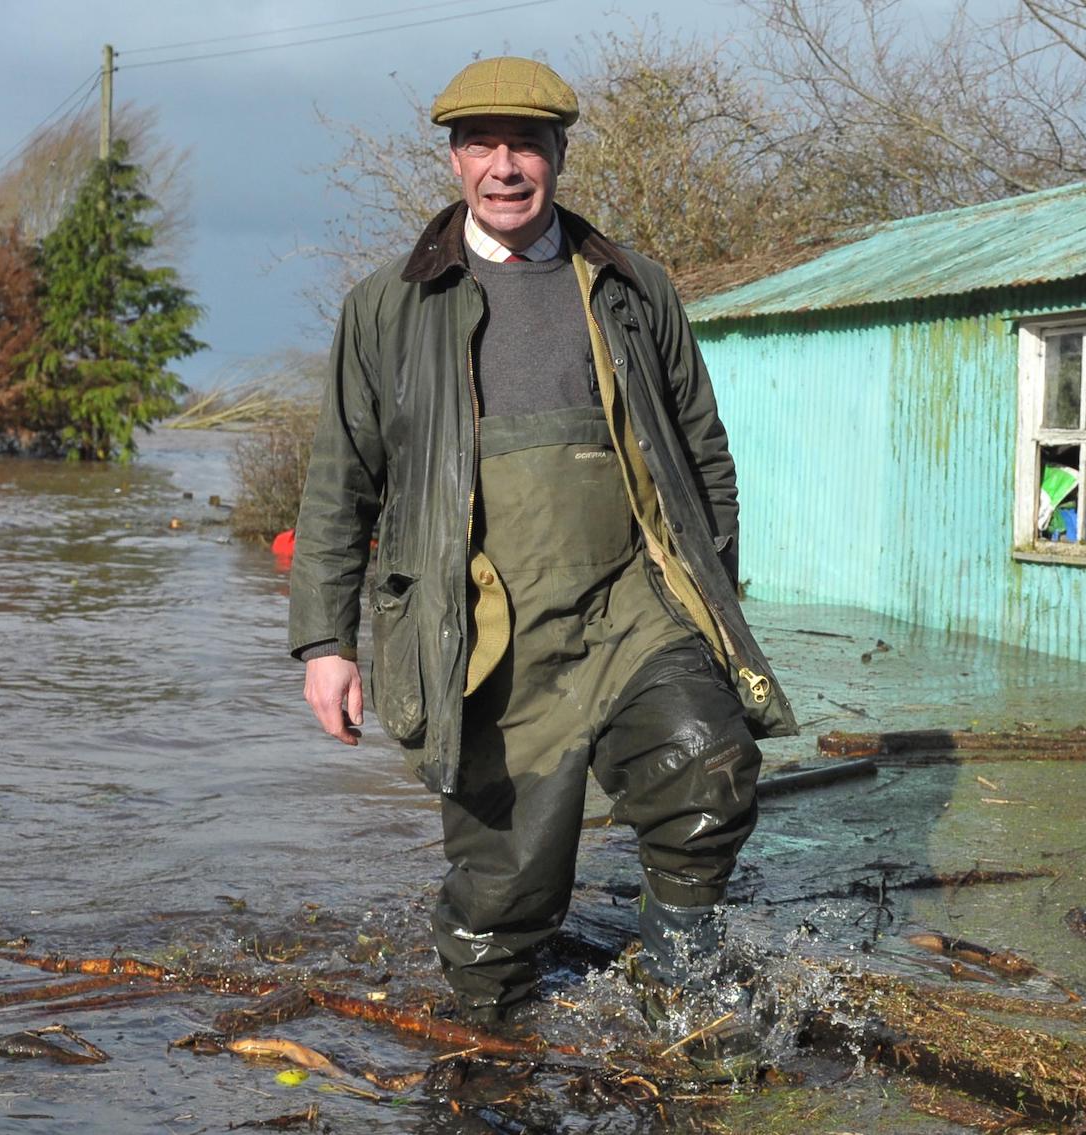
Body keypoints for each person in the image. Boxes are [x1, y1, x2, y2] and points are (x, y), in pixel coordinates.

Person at [288, 56, 796, 1071]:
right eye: (484, 143)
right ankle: (488, 1055)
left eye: (527, 144)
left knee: (710, 766)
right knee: (504, 892)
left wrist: (711, 595)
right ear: (454, 157)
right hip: (483, 631)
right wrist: (323, 642)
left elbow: (703, 453)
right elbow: (341, 477)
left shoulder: (631, 287)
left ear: (559, 154)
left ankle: (682, 985)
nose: (506, 166)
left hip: (636, 605)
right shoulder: (390, 305)